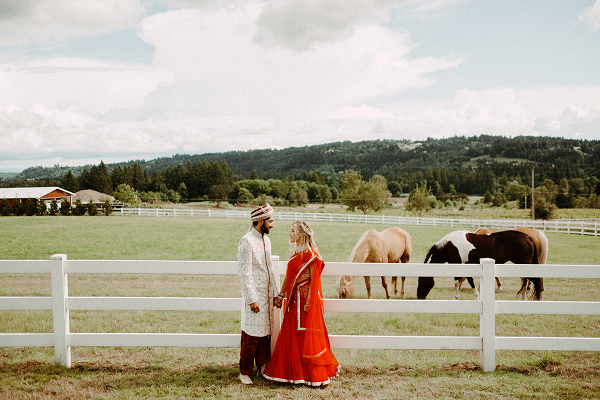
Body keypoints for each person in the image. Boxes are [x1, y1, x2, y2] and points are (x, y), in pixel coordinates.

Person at [263, 221, 339, 387]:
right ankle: (293, 372)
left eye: (292, 231)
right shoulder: (294, 254)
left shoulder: (312, 255)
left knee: (305, 335)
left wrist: (308, 304)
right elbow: (289, 277)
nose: (289, 234)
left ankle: (308, 374)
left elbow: (314, 281)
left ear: (302, 234)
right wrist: (281, 294)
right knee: (291, 334)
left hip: (305, 302)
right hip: (293, 301)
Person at [237, 203, 277, 385]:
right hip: (255, 297)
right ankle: (244, 371)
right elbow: (245, 272)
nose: (272, 225)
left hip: (267, 296)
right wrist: (252, 299)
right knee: (252, 336)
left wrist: (276, 294)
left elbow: (269, 269)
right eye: (270, 221)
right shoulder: (247, 240)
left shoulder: (266, 240)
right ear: (259, 221)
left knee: (265, 335)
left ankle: (262, 366)